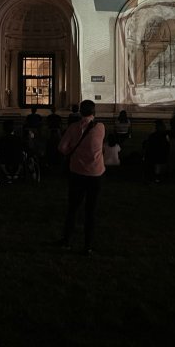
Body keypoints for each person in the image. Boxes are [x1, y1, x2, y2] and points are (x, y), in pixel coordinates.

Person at [57, 99, 105, 255]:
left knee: (72, 208)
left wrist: (73, 150)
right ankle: (88, 246)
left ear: (80, 111)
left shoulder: (73, 128)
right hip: (95, 174)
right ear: (94, 112)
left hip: (77, 172)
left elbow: (62, 148)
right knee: (91, 211)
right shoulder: (100, 128)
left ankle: (66, 241)